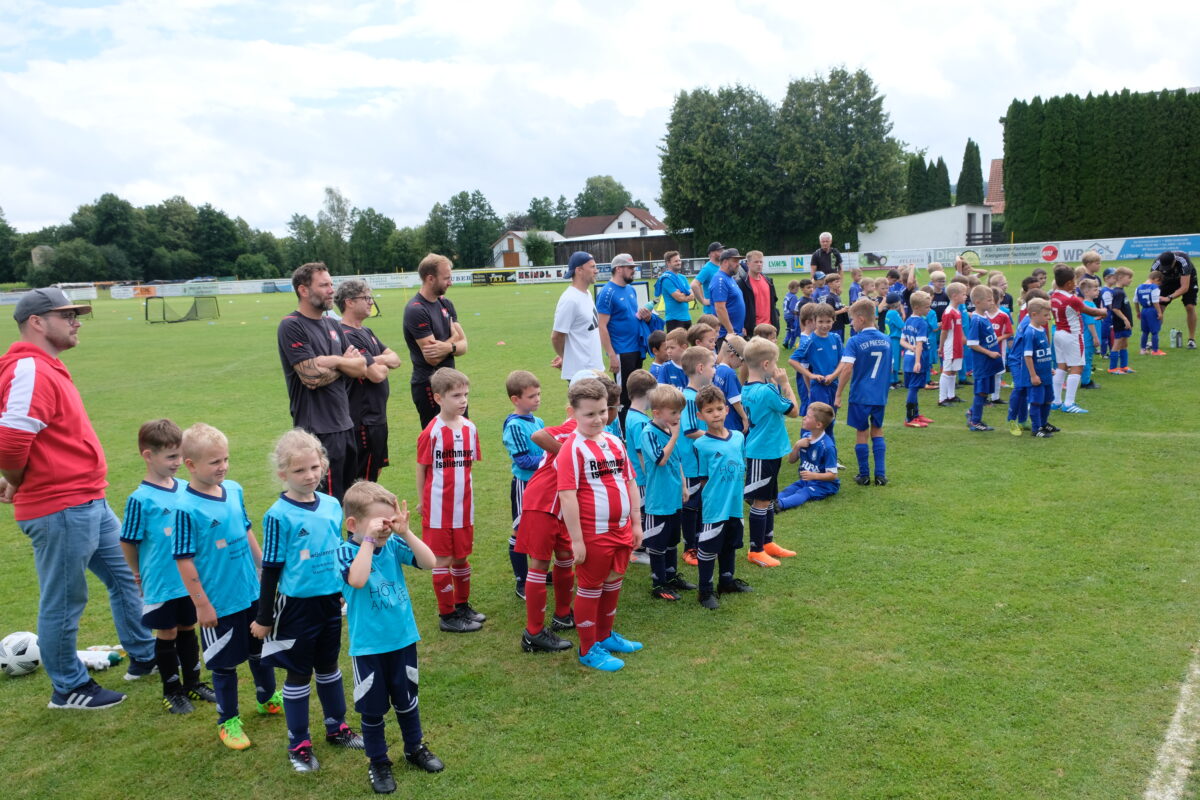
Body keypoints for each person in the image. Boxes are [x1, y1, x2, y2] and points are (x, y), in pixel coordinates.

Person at [0, 287, 156, 711]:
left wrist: (14, 480)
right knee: (65, 600)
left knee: (127, 577)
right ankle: (68, 687)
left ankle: (146, 655)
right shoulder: (29, 368)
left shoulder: (45, 366)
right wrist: (15, 480)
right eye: (66, 315)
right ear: (37, 322)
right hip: (60, 506)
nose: (76, 322)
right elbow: (11, 441)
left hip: (86, 500)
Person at [250, 429, 362, 771]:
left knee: (329, 666)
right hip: (296, 608)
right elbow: (271, 569)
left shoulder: (331, 505)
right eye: (299, 470)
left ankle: (336, 727)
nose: (309, 475)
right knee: (299, 674)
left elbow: (338, 551)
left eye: (314, 467)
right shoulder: (278, 515)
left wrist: (341, 592)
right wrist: (264, 617)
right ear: (283, 473)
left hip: (329, 603)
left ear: (323, 465)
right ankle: (298, 743)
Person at [173, 423, 279, 750]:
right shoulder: (185, 508)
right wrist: (201, 604)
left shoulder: (233, 489)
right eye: (214, 462)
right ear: (190, 465)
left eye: (226, 459)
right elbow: (184, 560)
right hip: (219, 602)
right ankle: (228, 721)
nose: (223, 467)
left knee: (261, 651)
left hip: (250, 592)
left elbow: (246, 531)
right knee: (223, 665)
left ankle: (266, 698)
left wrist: (265, 570)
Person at [337, 482, 443, 794]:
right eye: (378, 522)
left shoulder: (394, 544)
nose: (385, 528)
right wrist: (369, 541)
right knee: (372, 709)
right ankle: (379, 761)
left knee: (407, 700)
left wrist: (406, 533)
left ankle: (414, 747)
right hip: (368, 648)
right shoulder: (345, 552)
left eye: (389, 521)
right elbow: (357, 580)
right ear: (353, 524)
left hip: (402, 640)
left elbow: (430, 562)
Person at [119, 418, 214, 715]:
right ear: (148, 456)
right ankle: (171, 690)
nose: (178, 462)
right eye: (171, 457)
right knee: (167, 632)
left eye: (180, 455)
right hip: (160, 580)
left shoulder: (186, 488)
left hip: (188, 579)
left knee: (188, 626)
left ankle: (193, 683)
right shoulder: (140, 499)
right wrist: (137, 573)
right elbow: (128, 541)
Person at [556, 378, 644, 672]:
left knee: (614, 581)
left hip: (621, 529)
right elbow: (567, 496)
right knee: (591, 586)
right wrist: (576, 540)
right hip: (594, 533)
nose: (598, 419)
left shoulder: (614, 441)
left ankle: (605, 635)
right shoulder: (572, 449)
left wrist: (636, 523)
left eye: (603, 411)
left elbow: (629, 482)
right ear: (573, 413)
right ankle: (587, 648)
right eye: (589, 414)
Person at [277, 262, 367, 501]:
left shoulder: (332, 324)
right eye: (324, 285)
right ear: (303, 290)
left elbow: (360, 367)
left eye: (331, 284)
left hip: (345, 425)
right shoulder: (292, 325)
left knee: (348, 500)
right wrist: (343, 363)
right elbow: (311, 377)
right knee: (325, 502)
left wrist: (332, 361)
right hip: (317, 431)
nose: (331, 290)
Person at [416, 367, 484, 634]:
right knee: (442, 560)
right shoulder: (432, 432)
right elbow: (422, 467)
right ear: (438, 398)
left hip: (464, 506)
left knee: (462, 558)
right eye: (456, 395)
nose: (463, 400)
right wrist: (422, 501)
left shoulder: (470, 428)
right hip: (438, 508)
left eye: (465, 394)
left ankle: (462, 605)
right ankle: (447, 615)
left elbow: (468, 467)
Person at [740, 338, 799, 568]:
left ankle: (768, 542)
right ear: (766, 364)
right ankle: (756, 550)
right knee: (761, 501)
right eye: (775, 363)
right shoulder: (767, 391)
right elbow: (794, 411)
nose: (777, 367)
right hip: (762, 452)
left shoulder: (748, 387)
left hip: (769, 450)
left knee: (769, 498)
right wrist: (785, 384)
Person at [335, 279, 402, 482]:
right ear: (349, 302)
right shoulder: (346, 335)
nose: (371, 302)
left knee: (375, 470)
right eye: (366, 297)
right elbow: (377, 375)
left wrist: (373, 360)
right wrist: (382, 363)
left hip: (377, 417)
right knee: (361, 479)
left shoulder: (366, 331)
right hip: (363, 420)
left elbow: (396, 360)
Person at [693, 385, 751, 609]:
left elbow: (741, 464)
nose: (716, 414)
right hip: (715, 506)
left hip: (735, 503)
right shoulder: (700, 445)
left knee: (730, 543)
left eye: (719, 409)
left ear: (727, 409)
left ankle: (726, 581)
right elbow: (703, 478)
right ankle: (705, 591)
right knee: (709, 548)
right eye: (709, 411)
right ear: (700, 416)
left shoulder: (738, 437)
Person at [639, 384, 694, 601]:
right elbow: (661, 459)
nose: (678, 416)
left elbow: (676, 460)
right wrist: (674, 437)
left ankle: (671, 577)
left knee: (672, 540)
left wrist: (683, 485)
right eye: (673, 412)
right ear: (657, 412)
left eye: (679, 412)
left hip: (673, 496)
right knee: (658, 544)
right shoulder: (649, 433)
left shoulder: (669, 430)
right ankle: (658, 584)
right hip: (659, 499)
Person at [403, 253, 469, 429]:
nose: (450, 282)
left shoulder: (446, 303)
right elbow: (432, 358)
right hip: (429, 386)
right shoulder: (416, 310)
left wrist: (448, 346)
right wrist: (454, 340)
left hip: (453, 384)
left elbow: (464, 345)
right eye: (446, 278)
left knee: (462, 436)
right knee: (437, 440)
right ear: (430, 278)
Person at [834, 299, 893, 487]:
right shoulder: (886, 339)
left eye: (852, 319)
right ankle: (881, 475)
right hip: (879, 394)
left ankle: (864, 475)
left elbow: (847, 369)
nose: (851, 323)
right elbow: (890, 368)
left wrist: (838, 393)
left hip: (861, 394)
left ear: (860, 319)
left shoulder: (855, 341)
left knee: (862, 432)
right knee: (877, 430)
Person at [502, 370, 545, 601]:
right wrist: (552, 458)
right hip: (524, 485)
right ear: (515, 399)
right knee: (520, 531)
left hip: (541, 484)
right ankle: (522, 580)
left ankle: (537, 573)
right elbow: (523, 461)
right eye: (531, 396)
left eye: (538, 394)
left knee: (541, 529)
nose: (537, 399)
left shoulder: (538, 421)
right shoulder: (514, 426)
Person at [597, 253, 650, 424]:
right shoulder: (607, 292)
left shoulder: (631, 289)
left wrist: (644, 316)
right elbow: (602, 326)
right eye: (630, 268)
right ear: (618, 269)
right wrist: (612, 354)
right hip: (621, 351)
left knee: (637, 392)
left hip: (636, 348)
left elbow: (630, 316)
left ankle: (635, 426)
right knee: (622, 396)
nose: (634, 270)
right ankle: (623, 431)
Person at [1050, 265, 1107, 414]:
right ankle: (1069, 403)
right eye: (1074, 281)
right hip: (1072, 335)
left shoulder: (1054, 295)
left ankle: (1056, 401)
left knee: (1061, 367)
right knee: (1077, 367)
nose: (1075, 284)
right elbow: (1091, 311)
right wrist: (1103, 311)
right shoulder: (1071, 299)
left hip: (1059, 333)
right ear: (1069, 283)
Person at [679, 345, 716, 567]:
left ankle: (700, 543)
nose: (714, 370)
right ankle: (689, 548)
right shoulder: (690, 399)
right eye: (713, 366)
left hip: (700, 462)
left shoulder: (697, 397)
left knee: (700, 504)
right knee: (691, 506)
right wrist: (718, 437)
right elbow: (691, 430)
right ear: (701, 368)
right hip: (691, 463)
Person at [790, 303, 842, 441]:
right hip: (819, 387)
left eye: (828, 321)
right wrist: (811, 375)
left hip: (833, 385)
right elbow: (793, 360)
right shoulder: (810, 341)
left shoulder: (836, 338)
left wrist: (833, 376)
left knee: (830, 420)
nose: (824, 325)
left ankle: (829, 451)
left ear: (833, 320)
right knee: (817, 422)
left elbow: (842, 362)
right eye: (820, 321)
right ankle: (807, 448)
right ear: (814, 321)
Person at [775, 402, 840, 512]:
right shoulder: (805, 437)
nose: (804, 418)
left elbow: (833, 475)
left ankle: (779, 505)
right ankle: (769, 501)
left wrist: (813, 475)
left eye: (808, 416)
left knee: (804, 492)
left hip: (824, 485)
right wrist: (797, 445)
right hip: (806, 480)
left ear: (818, 425)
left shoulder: (828, 447)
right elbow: (791, 460)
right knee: (791, 489)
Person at [551, 252, 604, 379]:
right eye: (592, 267)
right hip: (581, 374)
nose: (596, 270)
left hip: (595, 369)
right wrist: (566, 357)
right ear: (579, 270)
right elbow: (556, 337)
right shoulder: (570, 299)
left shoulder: (587, 293)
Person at [965, 285, 1003, 432]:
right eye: (989, 300)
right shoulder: (976, 320)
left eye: (992, 300)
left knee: (985, 391)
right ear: (977, 302)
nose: (992, 303)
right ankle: (975, 422)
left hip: (989, 362)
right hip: (982, 363)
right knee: (981, 391)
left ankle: (971, 412)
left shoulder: (984, 316)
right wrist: (989, 353)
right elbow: (972, 343)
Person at [1020, 298, 1057, 438]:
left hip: (1045, 374)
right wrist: (1033, 375)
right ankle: (1036, 429)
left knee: (1048, 399)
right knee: (1036, 401)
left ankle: (1044, 423)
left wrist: (1049, 368)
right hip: (1037, 376)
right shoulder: (1030, 332)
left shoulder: (1042, 329)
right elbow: (1028, 356)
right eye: (1046, 315)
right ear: (1034, 314)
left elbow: (1044, 353)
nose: (1049, 318)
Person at [900, 291, 933, 428]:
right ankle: (910, 418)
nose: (929, 309)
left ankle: (916, 414)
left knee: (914, 388)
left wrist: (911, 348)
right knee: (913, 389)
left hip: (908, 359)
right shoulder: (921, 323)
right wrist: (918, 361)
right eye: (927, 307)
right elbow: (919, 344)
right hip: (917, 360)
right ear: (917, 308)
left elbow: (902, 341)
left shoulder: (908, 320)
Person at [1151, 251, 1196, 348]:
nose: (1166, 269)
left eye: (1168, 266)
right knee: (1159, 309)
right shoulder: (1156, 265)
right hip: (1167, 281)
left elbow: (1184, 287)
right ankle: (1153, 339)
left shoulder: (1183, 261)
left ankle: (1191, 340)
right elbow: (1152, 283)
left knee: (1190, 307)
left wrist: (1169, 297)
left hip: (1188, 279)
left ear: (1174, 261)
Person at [937, 282, 968, 406]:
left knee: (954, 370)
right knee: (947, 370)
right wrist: (941, 347)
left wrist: (963, 337)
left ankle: (951, 395)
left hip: (957, 346)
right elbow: (944, 331)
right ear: (955, 296)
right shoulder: (949, 312)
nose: (966, 296)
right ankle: (942, 398)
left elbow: (958, 328)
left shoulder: (957, 311)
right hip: (950, 346)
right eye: (963, 294)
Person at [710, 248, 748, 344]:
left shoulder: (729, 278)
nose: (738, 264)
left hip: (735, 333)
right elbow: (720, 308)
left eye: (738, 261)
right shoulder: (720, 279)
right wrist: (730, 331)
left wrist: (740, 327)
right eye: (735, 261)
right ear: (725, 262)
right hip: (726, 336)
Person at [737, 250, 780, 334]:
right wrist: (742, 325)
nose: (759, 264)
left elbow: (774, 302)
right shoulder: (742, 283)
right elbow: (739, 307)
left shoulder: (769, 281)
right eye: (756, 262)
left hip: (770, 327)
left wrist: (776, 317)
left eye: (761, 262)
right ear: (748, 264)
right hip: (753, 329)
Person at [656, 250, 693, 331]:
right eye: (676, 261)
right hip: (674, 320)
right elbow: (679, 298)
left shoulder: (683, 277)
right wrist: (686, 295)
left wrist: (684, 296)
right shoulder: (666, 279)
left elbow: (692, 296)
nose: (679, 263)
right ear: (668, 263)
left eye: (679, 260)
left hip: (687, 318)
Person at [1107, 267, 1135, 374]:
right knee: (1117, 344)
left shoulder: (1120, 291)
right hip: (1120, 323)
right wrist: (1125, 319)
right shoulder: (1118, 292)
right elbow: (1115, 308)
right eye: (1129, 277)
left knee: (1124, 344)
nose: (1131, 280)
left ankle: (1124, 366)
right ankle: (1112, 368)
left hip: (1124, 324)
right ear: (1120, 277)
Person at [1136, 271, 1166, 355]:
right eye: (1159, 283)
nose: (1158, 285)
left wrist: (1138, 312)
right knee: (1154, 331)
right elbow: (1155, 301)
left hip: (1144, 310)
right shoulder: (1154, 287)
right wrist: (1159, 312)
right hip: (1152, 310)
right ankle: (1155, 350)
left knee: (1145, 331)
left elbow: (1135, 301)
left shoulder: (1139, 287)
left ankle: (1143, 350)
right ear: (1156, 279)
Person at [690, 241, 725, 309]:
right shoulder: (707, 268)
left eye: (722, 250)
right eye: (719, 250)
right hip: (711, 310)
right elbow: (694, 285)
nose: (722, 252)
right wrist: (703, 301)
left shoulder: (722, 266)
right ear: (711, 253)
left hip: (721, 308)